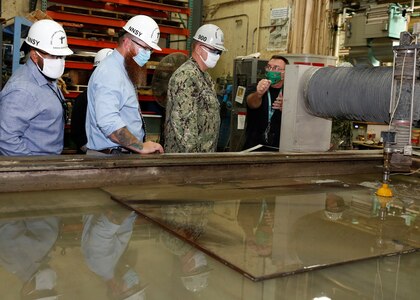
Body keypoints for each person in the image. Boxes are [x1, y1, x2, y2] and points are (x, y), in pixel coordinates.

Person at [85, 15, 164, 155]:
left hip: (119, 155)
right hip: (110, 159)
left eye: (150, 50)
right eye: (145, 48)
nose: (148, 55)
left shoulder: (124, 70)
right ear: (127, 43)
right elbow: (109, 123)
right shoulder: (110, 73)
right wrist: (141, 147)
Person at [0, 19, 73, 156]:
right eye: (53, 56)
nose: (59, 61)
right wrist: (32, 167)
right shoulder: (22, 90)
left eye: (61, 56)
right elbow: (5, 138)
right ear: (34, 55)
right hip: (35, 169)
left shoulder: (47, 78)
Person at [164, 24, 227, 153]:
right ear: (198, 48)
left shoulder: (204, 77)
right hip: (186, 162)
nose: (217, 56)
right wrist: (195, 160)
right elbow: (183, 124)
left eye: (219, 52)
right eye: (214, 51)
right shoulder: (186, 76)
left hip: (202, 158)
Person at [70, 48, 113, 153]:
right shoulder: (84, 99)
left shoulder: (114, 98)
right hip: (91, 157)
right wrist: (91, 151)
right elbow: (77, 133)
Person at [243, 55, 289, 151]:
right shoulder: (255, 87)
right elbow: (252, 103)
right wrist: (259, 94)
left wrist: (287, 108)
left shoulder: (290, 93)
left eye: (276, 68)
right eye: (269, 67)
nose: (271, 70)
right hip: (254, 149)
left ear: (285, 73)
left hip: (279, 150)